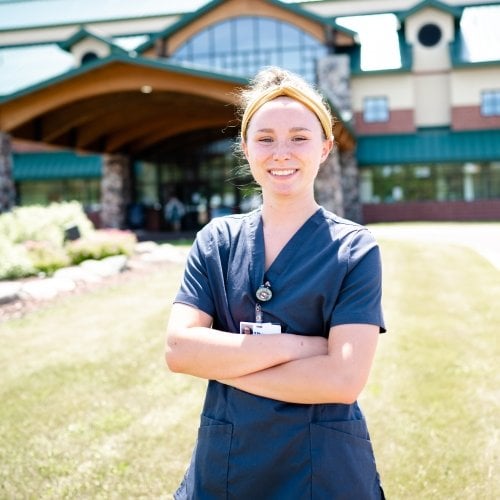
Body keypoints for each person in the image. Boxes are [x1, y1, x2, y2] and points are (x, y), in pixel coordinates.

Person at [165, 66, 386, 499]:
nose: (281, 152)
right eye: (264, 138)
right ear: (245, 149)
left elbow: (342, 381)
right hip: (227, 461)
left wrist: (224, 364)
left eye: (299, 138)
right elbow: (179, 350)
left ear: (324, 149)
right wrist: (301, 347)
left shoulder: (354, 249)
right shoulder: (217, 242)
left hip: (322, 466)